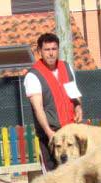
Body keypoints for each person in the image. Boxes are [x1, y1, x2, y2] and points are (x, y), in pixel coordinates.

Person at [24, 33, 83, 172]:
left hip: (70, 132)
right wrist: (49, 132)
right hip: (51, 134)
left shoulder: (66, 67)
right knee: (52, 177)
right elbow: (38, 109)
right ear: (39, 51)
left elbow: (73, 93)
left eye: (54, 49)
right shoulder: (33, 76)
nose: (51, 53)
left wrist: (79, 107)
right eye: (47, 49)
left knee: (75, 174)